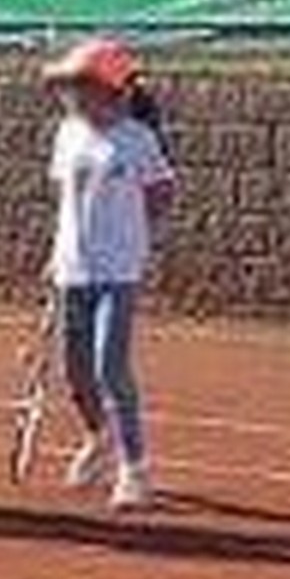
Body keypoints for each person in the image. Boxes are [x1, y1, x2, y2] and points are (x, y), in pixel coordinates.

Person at [39, 36, 178, 514]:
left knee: (108, 366)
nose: (69, 95)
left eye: (79, 85)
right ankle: (99, 439)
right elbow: (66, 203)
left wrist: (134, 237)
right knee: (75, 373)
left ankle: (135, 469)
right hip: (72, 270)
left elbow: (161, 194)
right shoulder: (67, 134)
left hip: (118, 271)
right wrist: (54, 256)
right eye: (67, 87)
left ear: (108, 89)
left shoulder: (138, 139)